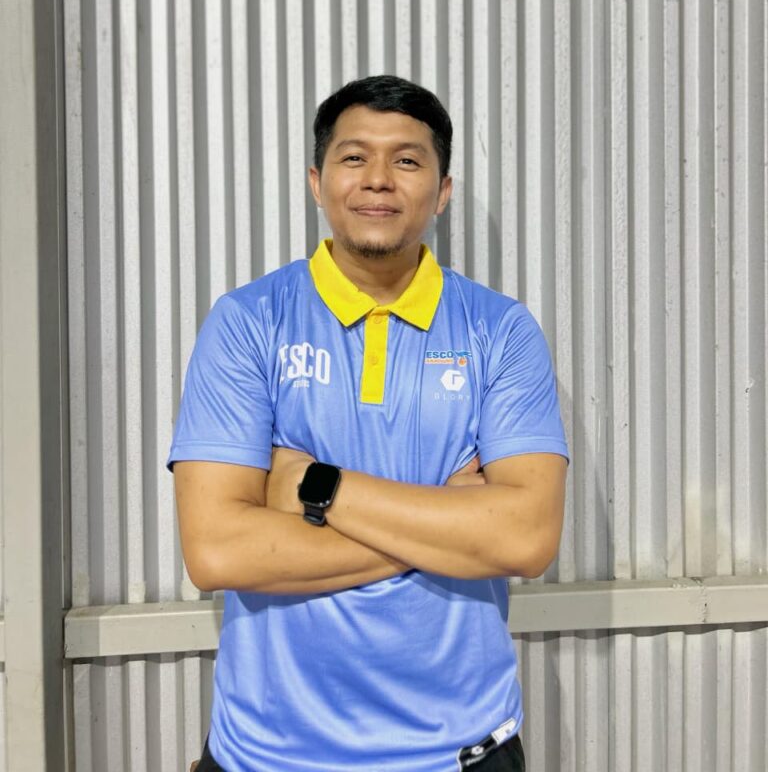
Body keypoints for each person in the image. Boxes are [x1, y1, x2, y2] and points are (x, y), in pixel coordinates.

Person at [170, 75, 568, 772]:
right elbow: (218, 552)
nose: (378, 179)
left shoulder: (500, 331)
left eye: (407, 160)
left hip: (460, 751)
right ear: (317, 182)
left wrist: (316, 486)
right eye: (354, 157)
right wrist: (450, 527)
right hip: (267, 755)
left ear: (442, 191)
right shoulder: (247, 323)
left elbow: (526, 539)